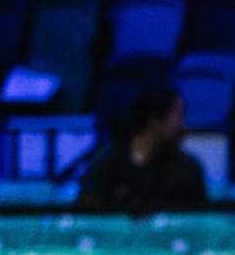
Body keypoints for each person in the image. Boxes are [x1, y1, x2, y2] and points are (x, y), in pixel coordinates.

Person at [76, 84, 209, 208]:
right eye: (178, 116)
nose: (184, 127)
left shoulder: (187, 167)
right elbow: (87, 210)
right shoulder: (107, 161)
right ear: (154, 121)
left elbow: (200, 216)